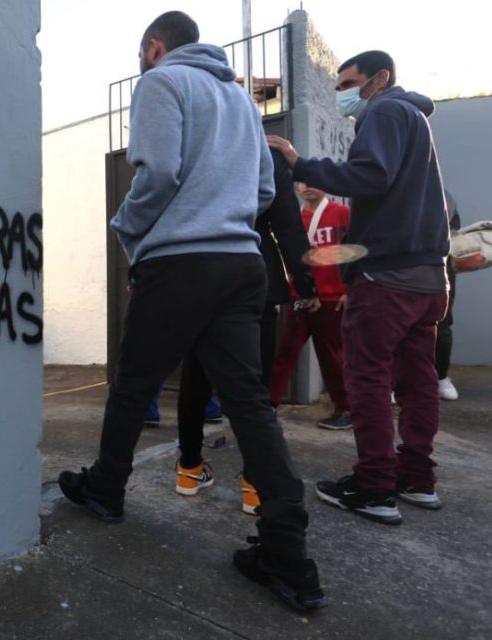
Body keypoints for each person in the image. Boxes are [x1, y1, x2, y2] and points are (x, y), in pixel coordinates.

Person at [58, 11, 326, 611]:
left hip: (180, 262)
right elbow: (265, 190)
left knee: (133, 384)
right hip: (241, 265)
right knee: (249, 402)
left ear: (154, 47)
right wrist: (224, 216)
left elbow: (157, 172)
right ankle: (287, 553)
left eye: (141, 53)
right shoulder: (237, 100)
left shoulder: (162, 82)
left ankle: (106, 488)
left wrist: (129, 230)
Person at [268, 50, 450, 525]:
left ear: (380, 78)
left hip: (387, 276)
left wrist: (298, 162)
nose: (341, 93)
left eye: (348, 82)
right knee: (417, 380)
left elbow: (370, 176)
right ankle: (417, 479)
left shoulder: (386, 110)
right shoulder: (415, 120)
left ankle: (374, 486)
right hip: (427, 276)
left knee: (366, 378)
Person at [175, 149, 318, 518]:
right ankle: (254, 486)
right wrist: (306, 285)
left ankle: (189, 471)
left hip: (198, 275)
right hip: (255, 276)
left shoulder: (198, 149)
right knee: (255, 388)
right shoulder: (264, 155)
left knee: (195, 379)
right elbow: (288, 224)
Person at [269, 184, 352, 430]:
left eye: (314, 182)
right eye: (302, 182)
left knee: (331, 354)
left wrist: (350, 290)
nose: (307, 187)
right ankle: (268, 405)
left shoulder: (342, 214)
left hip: (331, 297)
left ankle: (345, 408)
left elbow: (358, 251)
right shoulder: (295, 219)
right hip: (301, 297)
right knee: (285, 351)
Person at [436, 189, 461, 401]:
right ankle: (393, 382)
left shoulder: (445, 198)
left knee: (442, 327)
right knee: (398, 328)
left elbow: (454, 238)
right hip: (402, 273)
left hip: (440, 274)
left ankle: (441, 377)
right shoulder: (397, 191)